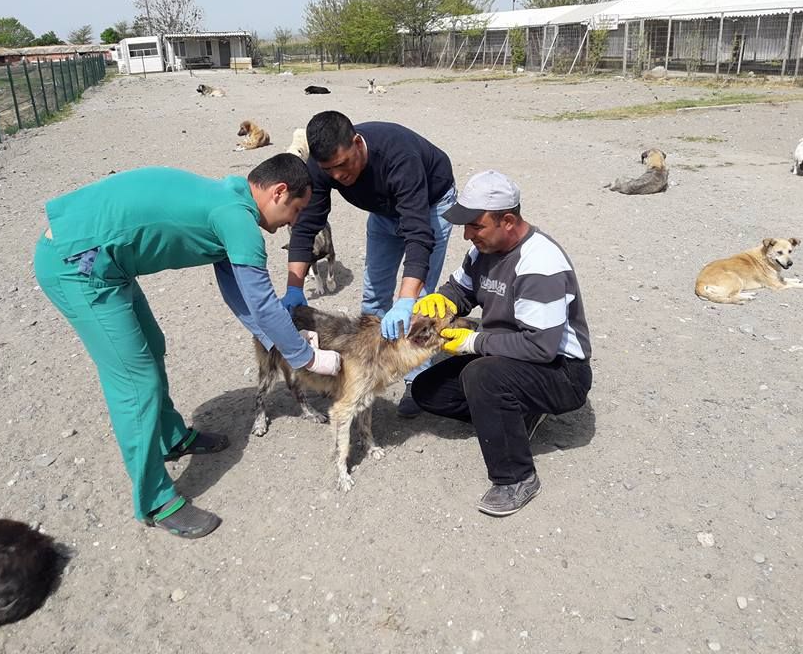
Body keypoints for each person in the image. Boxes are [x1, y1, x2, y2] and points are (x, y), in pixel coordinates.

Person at [34, 154, 341, 539]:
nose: (293, 223)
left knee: (152, 344)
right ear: (278, 192)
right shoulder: (238, 221)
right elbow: (262, 302)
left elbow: (240, 294)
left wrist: (276, 339)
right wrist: (307, 357)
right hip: (77, 264)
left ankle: (170, 438)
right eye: (295, 210)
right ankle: (154, 501)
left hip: (104, 259)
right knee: (136, 381)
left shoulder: (230, 200)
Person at [410, 170, 592, 517]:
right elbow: (461, 290)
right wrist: (443, 301)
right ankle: (518, 412)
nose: (466, 234)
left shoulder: (540, 263)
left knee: (483, 377)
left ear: (507, 221)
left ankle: (516, 478)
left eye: (475, 225)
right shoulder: (483, 251)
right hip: (508, 353)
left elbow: (541, 347)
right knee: (427, 390)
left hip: (561, 371)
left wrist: (472, 342)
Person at [281, 111, 456, 417]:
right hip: (383, 212)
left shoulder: (399, 156)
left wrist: (405, 300)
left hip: (430, 206)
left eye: (343, 165)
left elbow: (418, 234)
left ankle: (418, 380)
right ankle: (369, 369)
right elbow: (307, 226)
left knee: (420, 304)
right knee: (373, 294)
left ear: (358, 143)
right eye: (329, 170)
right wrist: (294, 288)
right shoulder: (322, 165)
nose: (338, 176)